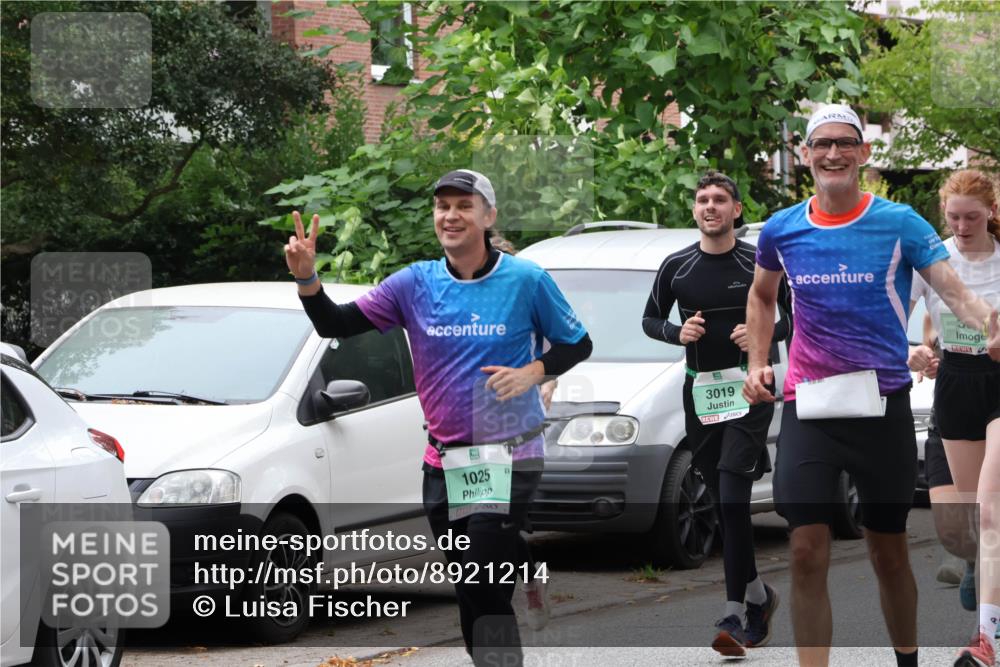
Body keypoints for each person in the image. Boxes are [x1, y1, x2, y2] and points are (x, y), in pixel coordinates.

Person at [285, 169, 592, 666]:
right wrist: (306, 278)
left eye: (463, 205)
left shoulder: (527, 280)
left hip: (509, 454)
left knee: (481, 582)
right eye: (442, 206)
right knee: (470, 587)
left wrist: (533, 372)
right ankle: (523, 565)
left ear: (487, 216)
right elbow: (336, 322)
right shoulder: (413, 283)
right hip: (444, 461)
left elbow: (578, 344)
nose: (451, 215)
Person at [742, 104, 1000, 667]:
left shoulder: (900, 222)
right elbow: (762, 297)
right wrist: (758, 361)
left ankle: (906, 658)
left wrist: (990, 324)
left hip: (882, 406)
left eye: (844, 143)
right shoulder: (782, 229)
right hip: (810, 406)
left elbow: (953, 291)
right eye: (821, 144)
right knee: (807, 548)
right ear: (805, 154)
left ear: (863, 153)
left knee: (888, 551)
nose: (833, 153)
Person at [642, 170, 791, 657]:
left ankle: (734, 611)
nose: (710, 206)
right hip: (700, 394)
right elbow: (650, 318)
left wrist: (761, 336)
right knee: (723, 499)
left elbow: (791, 315)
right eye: (702, 199)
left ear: (736, 209)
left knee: (731, 494)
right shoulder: (676, 267)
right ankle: (758, 596)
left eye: (720, 199)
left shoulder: (758, 261)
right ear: (694, 210)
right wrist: (676, 334)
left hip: (750, 390)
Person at [907, 169, 1000, 667]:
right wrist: (914, 353)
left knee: (990, 513)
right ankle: (977, 569)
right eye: (953, 217)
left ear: (991, 212)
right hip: (956, 384)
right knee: (968, 526)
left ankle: (987, 639)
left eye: (972, 217)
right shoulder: (933, 260)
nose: (962, 227)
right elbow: (901, 319)